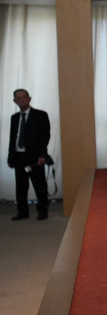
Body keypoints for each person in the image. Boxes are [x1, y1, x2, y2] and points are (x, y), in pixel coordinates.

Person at [7, 88, 51, 221]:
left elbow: (45, 137)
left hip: (35, 157)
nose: (22, 99)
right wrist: (10, 157)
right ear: (15, 101)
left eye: (24, 97)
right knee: (20, 186)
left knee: (39, 185)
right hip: (18, 156)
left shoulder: (40, 115)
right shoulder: (14, 118)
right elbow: (12, 138)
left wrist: (42, 155)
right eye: (19, 98)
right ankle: (22, 212)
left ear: (29, 98)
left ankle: (42, 210)